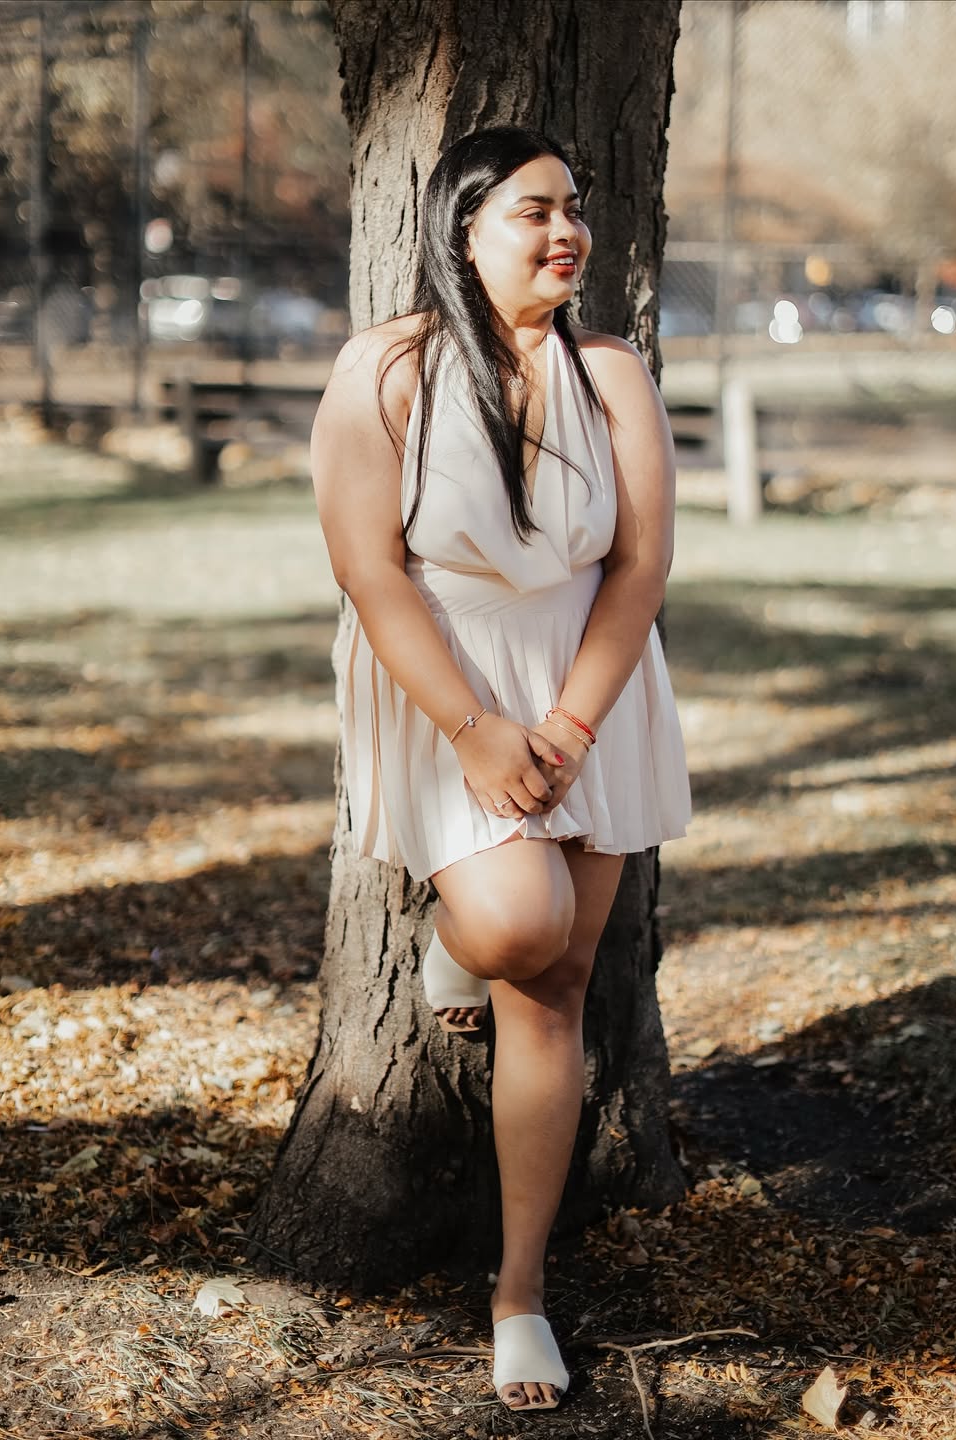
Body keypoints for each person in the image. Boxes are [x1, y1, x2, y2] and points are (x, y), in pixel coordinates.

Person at [310, 126, 691, 1415]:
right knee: (522, 924)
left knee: (563, 979)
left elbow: (638, 567)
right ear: (462, 230)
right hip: (447, 682)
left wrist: (572, 729)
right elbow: (369, 572)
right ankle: (457, 919)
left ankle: (519, 1292)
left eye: (574, 209)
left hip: (591, 680)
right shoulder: (389, 370)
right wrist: (476, 730)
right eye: (532, 211)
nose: (564, 232)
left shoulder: (613, 373)